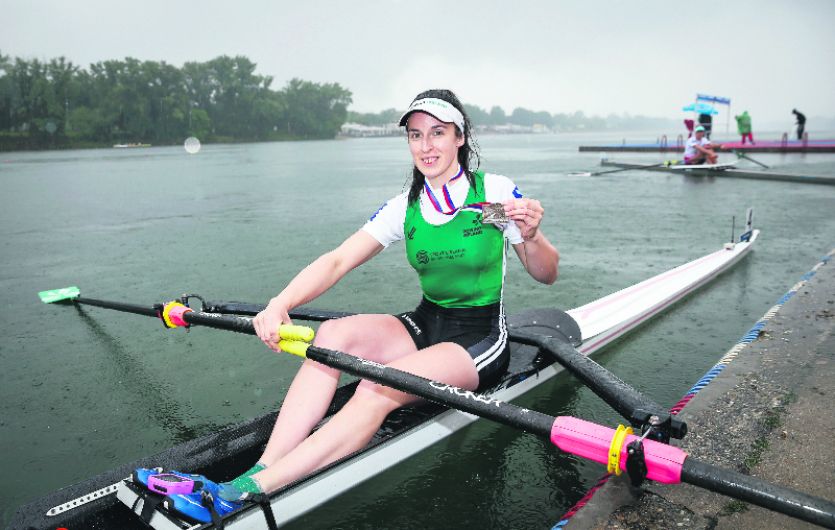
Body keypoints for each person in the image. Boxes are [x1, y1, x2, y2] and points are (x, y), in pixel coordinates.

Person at [212, 89, 560, 503]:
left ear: (460, 137)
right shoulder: (407, 207)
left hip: (478, 339)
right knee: (331, 336)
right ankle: (266, 464)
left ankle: (250, 492)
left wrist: (532, 236)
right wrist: (280, 303)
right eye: (416, 135)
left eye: (437, 133)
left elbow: (546, 274)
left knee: (376, 387)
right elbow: (338, 260)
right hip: (426, 322)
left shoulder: (489, 200)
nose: (426, 146)